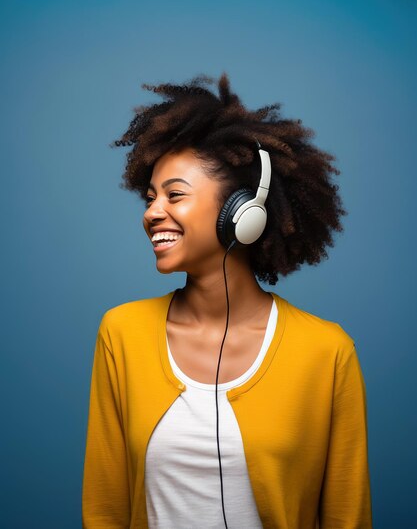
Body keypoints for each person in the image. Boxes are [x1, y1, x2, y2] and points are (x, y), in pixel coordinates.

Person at [82, 73, 373, 528]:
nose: (152, 212)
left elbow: (347, 518)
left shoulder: (327, 352)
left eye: (175, 195)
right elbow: (103, 511)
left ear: (243, 214)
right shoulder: (122, 333)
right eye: (150, 197)